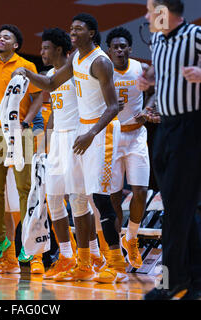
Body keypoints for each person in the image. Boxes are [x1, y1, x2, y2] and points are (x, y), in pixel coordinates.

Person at [13, 13, 128, 284]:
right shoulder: (77, 58)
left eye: (79, 29)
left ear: (92, 33)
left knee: (100, 198)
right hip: (83, 133)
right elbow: (51, 83)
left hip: (101, 133)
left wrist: (89, 133)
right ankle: (84, 262)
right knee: (78, 196)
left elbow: (113, 107)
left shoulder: (101, 62)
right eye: (72, 28)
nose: (73, 32)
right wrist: (27, 73)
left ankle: (117, 263)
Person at [138, 0, 201, 300]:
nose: (147, 16)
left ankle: (170, 282)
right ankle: (192, 279)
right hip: (164, 128)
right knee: (179, 207)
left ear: (164, 13)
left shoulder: (195, 36)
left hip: (191, 128)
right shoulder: (158, 42)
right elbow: (159, 76)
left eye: (151, 11)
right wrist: (148, 81)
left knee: (176, 209)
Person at [0, 24, 43, 272]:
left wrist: (27, 122)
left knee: (25, 188)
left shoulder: (26, 66)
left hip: (20, 131)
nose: (0, 38)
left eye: (6, 37)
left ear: (16, 45)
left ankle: (28, 241)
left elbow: (39, 95)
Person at [105, 27, 151, 270]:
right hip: (111, 137)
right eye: (115, 47)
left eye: (124, 46)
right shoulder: (103, 72)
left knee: (140, 191)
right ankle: (114, 253)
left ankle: (131, 237)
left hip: (136, 135)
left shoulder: (140, 69)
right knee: (113, 198)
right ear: (109, 50)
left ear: (130, 48)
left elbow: (157, 90)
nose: (120, 50)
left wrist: (150, 109)